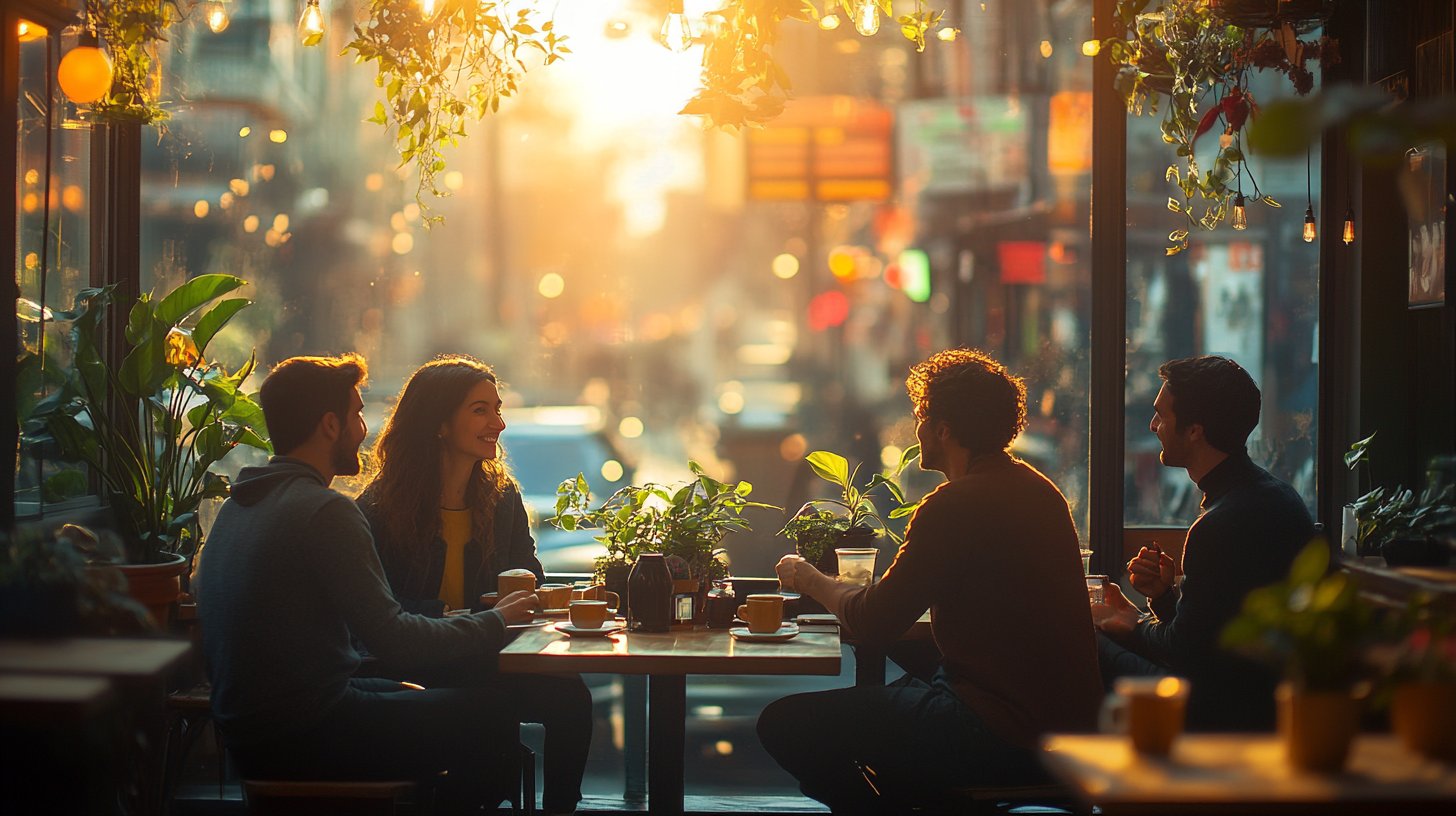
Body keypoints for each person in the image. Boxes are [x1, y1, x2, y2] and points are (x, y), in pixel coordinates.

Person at [195, 354, 570, 813]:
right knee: (489, 719)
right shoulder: (325, 510)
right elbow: (396, 642)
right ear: (330, 425)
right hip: (308, 733)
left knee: (471, 707)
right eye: (355, 414)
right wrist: (493, 620)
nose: (363, 428)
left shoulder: (241, 506)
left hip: (251, 737)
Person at [759, 348, 1101, 814]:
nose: (915, 427)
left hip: (993, 731)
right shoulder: (1041, 492)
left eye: (922, 415)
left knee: (783, 723)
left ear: (943, 429)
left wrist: (810, 579)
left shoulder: (952, 505)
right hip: (1067, 734)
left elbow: (875, 619)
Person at [356, 355, 592, 812]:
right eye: (480, 410)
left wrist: (523, 592)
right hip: (412, 662)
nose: (498, 423)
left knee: (571, 697)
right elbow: (375, 609)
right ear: (439, 423)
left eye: (497, 409)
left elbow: (529, 572)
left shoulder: (501, 497)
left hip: (483, 655)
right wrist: (450, 616)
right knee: (488, 716)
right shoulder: (382, 506)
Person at [1092, 355, 1317, 731]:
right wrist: (1164, 597)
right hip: (1264, 699)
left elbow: (1186, 651)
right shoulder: (1274, 495)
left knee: (1093, 644)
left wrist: (1126, 621)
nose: (1154, 426)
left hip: (1222, 709)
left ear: (1195, 430)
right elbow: (1216, 630)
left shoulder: (1220, 522)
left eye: (1162, 416)